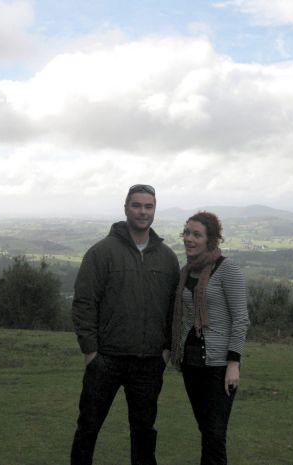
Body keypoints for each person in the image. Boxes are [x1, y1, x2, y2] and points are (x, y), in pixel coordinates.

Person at [70, 184, 180, 465]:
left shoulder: (167, 258)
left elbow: (174, 310)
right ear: (125, 208)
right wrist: (90, 351)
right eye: (137, 205)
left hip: (148, 363)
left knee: (144, 433)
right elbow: (84, 303)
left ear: (154, 210)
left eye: (148, 206)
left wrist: (166, 350)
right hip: (106, 359)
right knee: (88, 428)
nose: (143, 212)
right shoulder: (101, 252)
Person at [171, 211, 249, 465]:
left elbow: (241, 319)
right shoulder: (186, 272)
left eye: (196, 234)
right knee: (206, 431)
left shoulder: (227, 269)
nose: (189, 239)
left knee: (215, 435)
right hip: (191, 364)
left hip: (218, 366)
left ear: (210, 239)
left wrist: (233, 363)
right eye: (187, 233)